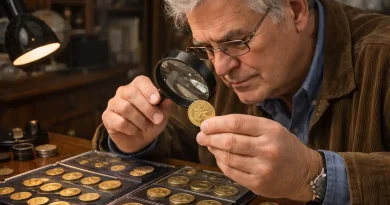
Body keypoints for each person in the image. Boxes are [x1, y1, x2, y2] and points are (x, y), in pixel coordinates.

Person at [93, 0, 390, 204]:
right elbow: (182, 136)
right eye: (206, 47)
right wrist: (135, 138)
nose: (221, 68)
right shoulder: (216, 61)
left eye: (237, 42)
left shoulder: (382, 56)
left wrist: (312, 174)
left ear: (296, 10)